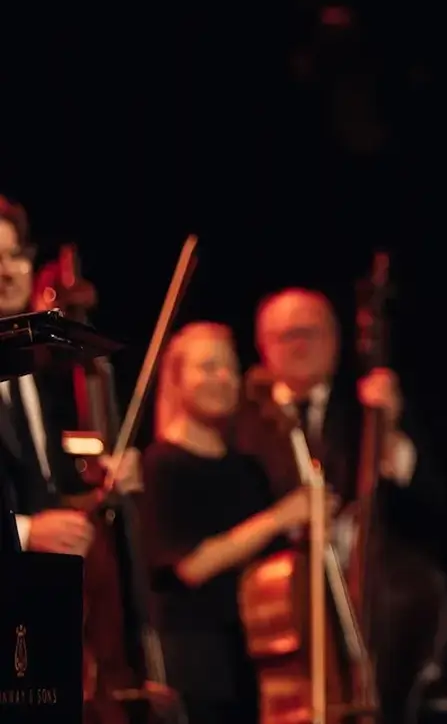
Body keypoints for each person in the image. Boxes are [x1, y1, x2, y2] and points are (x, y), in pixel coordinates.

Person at [233, 286, 447, 723]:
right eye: (286, 335)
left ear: (336, 340)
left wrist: (388, 430)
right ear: (262, 346)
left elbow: (432, 505)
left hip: (371, 609)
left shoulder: (366, 413)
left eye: (311, 332)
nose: (299, 344)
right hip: (270, 619)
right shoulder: (239, 420)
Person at [140, 321, 329, 724]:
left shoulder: (247, 469)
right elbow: (191, 566)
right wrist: (279, 517)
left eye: (230, 367)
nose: (224, 378)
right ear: (176, 378)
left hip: (254, 658)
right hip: (196, 662)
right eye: (208, 367)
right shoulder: (161, 465)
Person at [0, 195, 134, 556]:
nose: (8, 272)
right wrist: (25, 531)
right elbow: (30, 521)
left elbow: (38, 488)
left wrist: (102, 488)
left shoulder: (33, 367)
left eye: (15, 256)